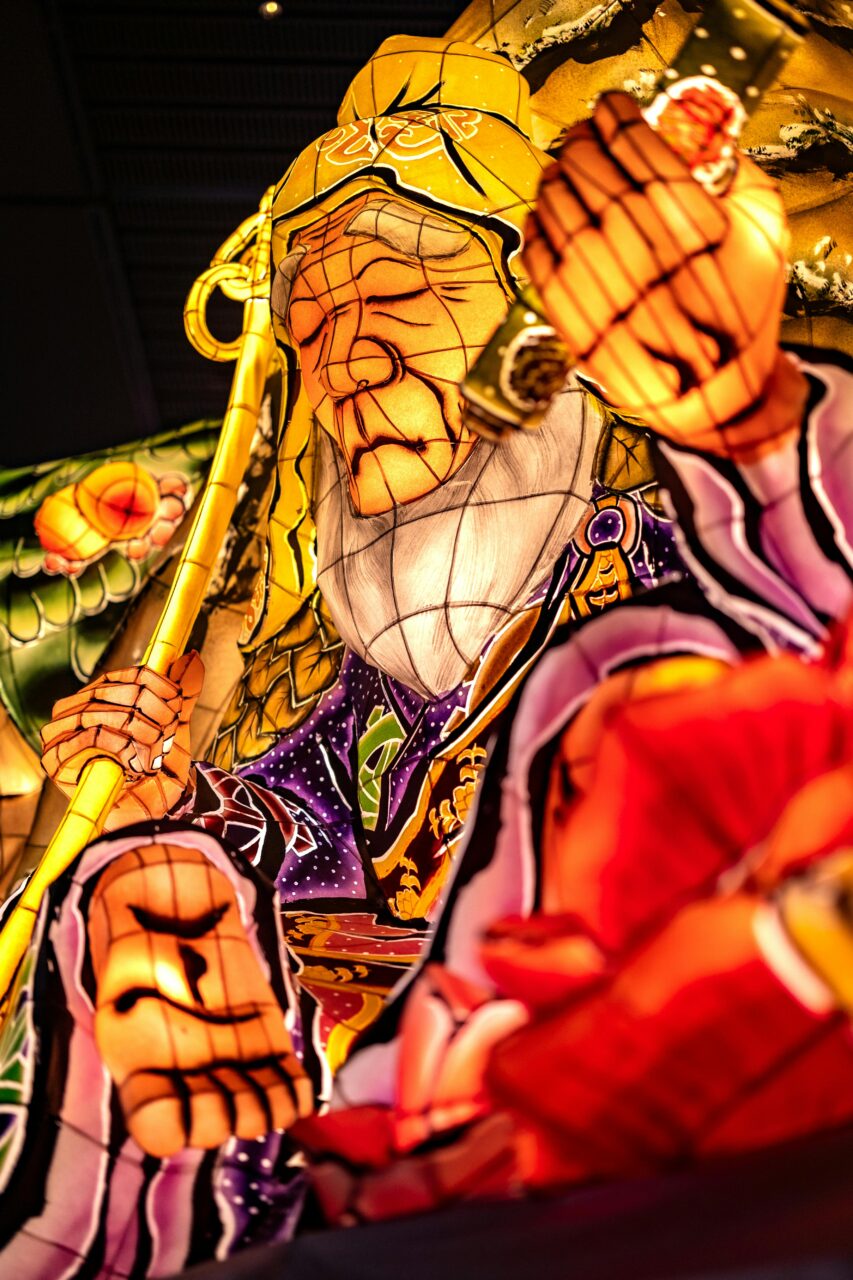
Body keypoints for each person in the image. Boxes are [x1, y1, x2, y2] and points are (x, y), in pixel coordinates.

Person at [1, 33, 852, 1277]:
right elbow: (286, 881)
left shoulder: (692, 566)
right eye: (313, 325)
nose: (347, 361)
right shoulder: (348, 688)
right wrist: (155, 819)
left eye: (401, 293)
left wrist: (741, 410)